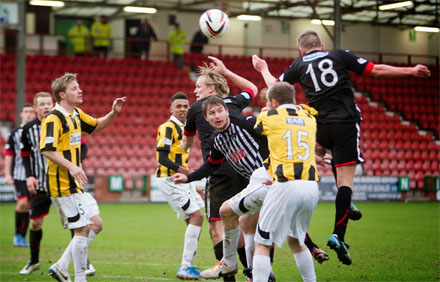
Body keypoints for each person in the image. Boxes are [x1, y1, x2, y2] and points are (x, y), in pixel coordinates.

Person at [252, 30, 431, 265]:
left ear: (301, 50)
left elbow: (276, 89)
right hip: (345, 122)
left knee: (333, 158)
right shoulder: (339, 56)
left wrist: (263, 68)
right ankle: (339, 234)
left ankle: (348, 202)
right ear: (322, 45)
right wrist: (411, 70)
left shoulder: (298, 65)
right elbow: (375, 70)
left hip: (319, 128)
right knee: (346, 182)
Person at [174, 96, 329, 280]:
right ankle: (256, 272)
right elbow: (212, 164)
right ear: (206, 119)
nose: (217, 116)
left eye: (220, 110)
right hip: (265, 182)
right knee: (256, 226)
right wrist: (189, 177)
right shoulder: (217, 139)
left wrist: (308, 154)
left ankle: (230, 263)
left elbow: (280, 135)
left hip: (266, 177)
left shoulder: (246, 122)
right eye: (212, 113)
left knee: (227, 211)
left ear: (226, 110)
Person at [40, 73, 125, 282]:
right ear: (62, 94)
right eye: (74, 88)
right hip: (60, 183)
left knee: (95, 224)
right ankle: (79, 278)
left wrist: (113, 113)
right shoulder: (54, 118)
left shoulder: (76, 113)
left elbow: (95, 125)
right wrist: (72, 167)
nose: (80, 91)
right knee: (82, 228)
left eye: (79, 87)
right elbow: (47, 149)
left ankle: (61, 266)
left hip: (74, 183)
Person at [182, 56, 256, 282]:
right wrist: (227, 71)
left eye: (198, 86)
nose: (195, 91)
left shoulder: (196, 109)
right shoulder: (231, 103)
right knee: (236, 224)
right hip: (243, 170)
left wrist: (183, 156)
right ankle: (252, 273)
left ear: (210, 88)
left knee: (217, 227)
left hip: (218, 172)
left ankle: (228, 277)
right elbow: (253, 89)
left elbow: (186, 142)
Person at [252, 82, 320, 282]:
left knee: (262, 242)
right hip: (310, 186)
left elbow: (258, 129)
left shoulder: (269, 116)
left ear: (273, 102)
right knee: (297, 240)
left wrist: (266, 111)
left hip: (286, 184)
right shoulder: (309, 117)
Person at [155, 92, 205, 280]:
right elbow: (162, 158)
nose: (183, 109)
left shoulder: (185, 129)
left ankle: (188, 264)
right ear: (171, 109)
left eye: (186, 106)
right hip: (170, 180)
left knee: (194, 219)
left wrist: (186, 173)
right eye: (179, 106)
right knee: (197, 216)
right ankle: (185, 266)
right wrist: (186, 172)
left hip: (181, 180)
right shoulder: (167, 127)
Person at [18, 92, 53, 275]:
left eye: (49, 103)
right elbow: (24, 155)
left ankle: (83, 263)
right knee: (36, 224)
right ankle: (33, 261)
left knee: (74, 222)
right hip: (39, 183)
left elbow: (82, 145)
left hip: (61, 182)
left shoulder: (62, 124)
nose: (46, 107)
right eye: (42, 104)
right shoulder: (28, 129)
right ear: (35, 107)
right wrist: (29, 176)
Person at [4, 103, 35, 248]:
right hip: (19, 174)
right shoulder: (15, 133)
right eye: (26, 111)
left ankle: (23, 236)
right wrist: (8, 174)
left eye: (31, 112)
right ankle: (18, 234)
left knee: (29, 207)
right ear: (21, 114)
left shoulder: (38, 131)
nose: (28, 114)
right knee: (22, 203)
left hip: (34, 176)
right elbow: (9, 155)